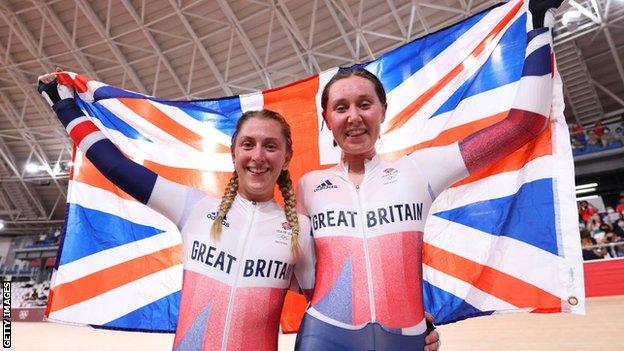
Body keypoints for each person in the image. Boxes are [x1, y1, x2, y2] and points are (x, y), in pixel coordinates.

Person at [294, 1, 563, 350]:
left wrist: (541, 24)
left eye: (364, 104)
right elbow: (304, 274)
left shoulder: (419, 170)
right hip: (323, 336)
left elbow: (524, 123)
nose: (354, 116)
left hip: (405, 339)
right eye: (340, 107)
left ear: (383, 111)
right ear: (327, 120)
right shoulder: (308, 185)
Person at [38, 72, 315, 351]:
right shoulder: (195, 207)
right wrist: (63, 106)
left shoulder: (299, 230)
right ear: (233, 153)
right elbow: (116, 167)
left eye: (270, 146)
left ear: (287, 156)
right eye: (248, 144)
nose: (258, 156)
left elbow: (324, 311)